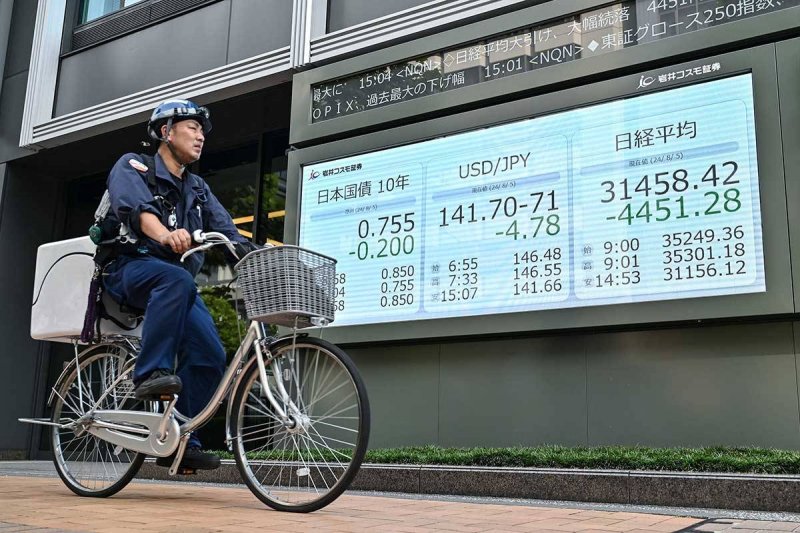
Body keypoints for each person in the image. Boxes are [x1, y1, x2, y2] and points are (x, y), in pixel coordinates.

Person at [101, 99, 256, 470]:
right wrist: (166, 234)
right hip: (128, 269)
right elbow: (137, 212)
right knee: (176, 278)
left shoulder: (197, 188)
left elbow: (230, 235)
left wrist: (256, 254)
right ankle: (150, 373)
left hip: (176, 283)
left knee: (209, 356)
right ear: (166, 132)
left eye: (203, 130)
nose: (201, 136)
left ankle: (181, 439)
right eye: (192, 128)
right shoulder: (134, 166)